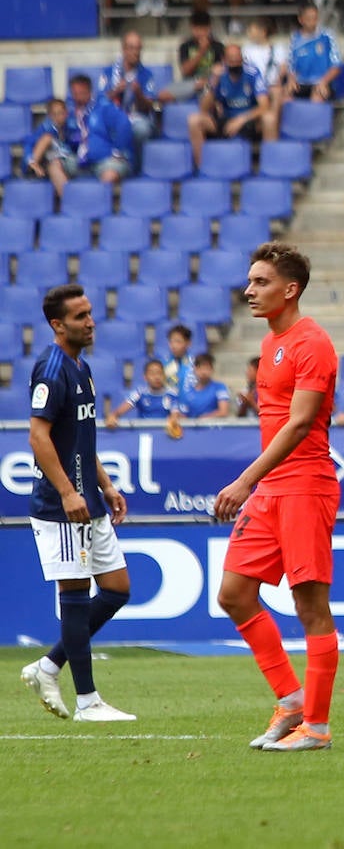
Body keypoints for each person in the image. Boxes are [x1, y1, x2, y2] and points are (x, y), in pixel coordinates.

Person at [212, 243, 340, 752]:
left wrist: (245, 481)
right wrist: (258, 483)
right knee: (233, 594)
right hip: (272, 488)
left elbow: (301, 422)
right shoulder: (271, 345)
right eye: (249, 281)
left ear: (290, 290)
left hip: (305, 486)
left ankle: (318, 727)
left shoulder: (314, 343)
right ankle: (290, 700)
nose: (249, 290)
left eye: (261, 282)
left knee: (310, 608)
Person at [20, 284, 135, 723]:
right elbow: (38, 436)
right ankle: (87, 701)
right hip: (61, 505)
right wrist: (68, 491)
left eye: (90, 313)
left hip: (89, 500)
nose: (90, 321)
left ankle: (48, 665)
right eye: (80, 316)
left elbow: (82, 438)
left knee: (118, 588)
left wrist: (104, 484)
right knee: (75, 592)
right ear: (57, 324)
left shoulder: (80, 367)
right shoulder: (51, 369)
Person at [187, 43, 276, 168]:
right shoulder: (218, 75)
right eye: (231, 60)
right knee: (194, 120)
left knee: (269, 118)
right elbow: (203, 109)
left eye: (238, 59)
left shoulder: (252, 73)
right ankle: (202, 168)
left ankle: (270, 167)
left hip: (248, 120)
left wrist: (241, 119)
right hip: (226, 120)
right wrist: (213, 83)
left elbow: (264, 106)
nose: (235, 63)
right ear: (224, 60)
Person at [98, 30, 164, 156]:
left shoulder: (146, 74)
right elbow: (100, 100)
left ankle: (134, 166)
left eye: (139, 48)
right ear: (123, 49)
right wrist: (115, 91)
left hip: (137, 117)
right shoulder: (108, 73)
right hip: (113, 116)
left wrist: (139, 94)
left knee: (142, 129)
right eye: (132, 48)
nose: (136, 52)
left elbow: (150, 105)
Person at [65, 73, 133, 189]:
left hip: (106, 161)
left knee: (109, 175)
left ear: (89, 90)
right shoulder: (70, 114)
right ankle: (70, 201)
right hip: (81, 162)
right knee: (55, 164)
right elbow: (66, 139)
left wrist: (118, 152)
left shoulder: (103, 107)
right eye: (75, 93)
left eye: (81, 92)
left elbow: (124, 124)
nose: (78, 97)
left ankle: (96, 203)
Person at [283, 2, 342, 103]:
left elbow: (336, 66)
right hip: (301, 83)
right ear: (301, 19)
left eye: (314, 18)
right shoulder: (295, 38)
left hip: (322, 82)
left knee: (317, 99)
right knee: (284, 99)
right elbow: (291, 65)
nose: (312, 22)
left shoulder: (327, 36)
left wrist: (323, 82)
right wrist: (291, 80)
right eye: (308, 18)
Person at [25, 98, 76, 196]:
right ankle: (33, 166)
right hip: (49, 161)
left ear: (66, 113)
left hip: (69, 160)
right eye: (54, 114)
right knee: (54, 163)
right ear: (49, 115)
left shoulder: (73, 127)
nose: (57, 117)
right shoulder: (45, 128)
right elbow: (29, 143)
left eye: (60, 113)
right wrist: (30, 161)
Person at [105, 360, 178, 428]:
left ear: (164, 375)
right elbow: (121, 409)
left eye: (159, 373)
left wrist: (173, 419)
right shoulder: (140, 393)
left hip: (164, 434)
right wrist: (114, 415)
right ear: (145, 377)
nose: (156, 377)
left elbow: (175, 414)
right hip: (144, 432)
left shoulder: (172, 394)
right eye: (152, 374)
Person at [177, 10, 227, 101]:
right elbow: (185, 71)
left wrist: (208, 81)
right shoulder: (185, 46)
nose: (200, 33)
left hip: (212, 84)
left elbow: (222, 71)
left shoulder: (218, 46)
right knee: (166, 94)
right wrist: (201, 51)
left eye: (203, 29)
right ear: (192, 28)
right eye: (196, 29)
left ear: (209, 28)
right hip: (190, 83)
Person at [178, 353, 232, 419]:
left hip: (214, 428)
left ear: (212, 369)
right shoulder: (187, 391)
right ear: (194, 370)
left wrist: (203, 419)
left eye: (207, 368)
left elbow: (223, 412)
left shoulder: (219, 387)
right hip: (192, 428)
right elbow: (184, 415)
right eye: (200, 368)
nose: (203, 372)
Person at [162, 324, 195, 398]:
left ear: (188, 343)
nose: (174, 346)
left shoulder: (195, 364)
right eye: (171, 342)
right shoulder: (163, 363)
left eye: (178, 342)